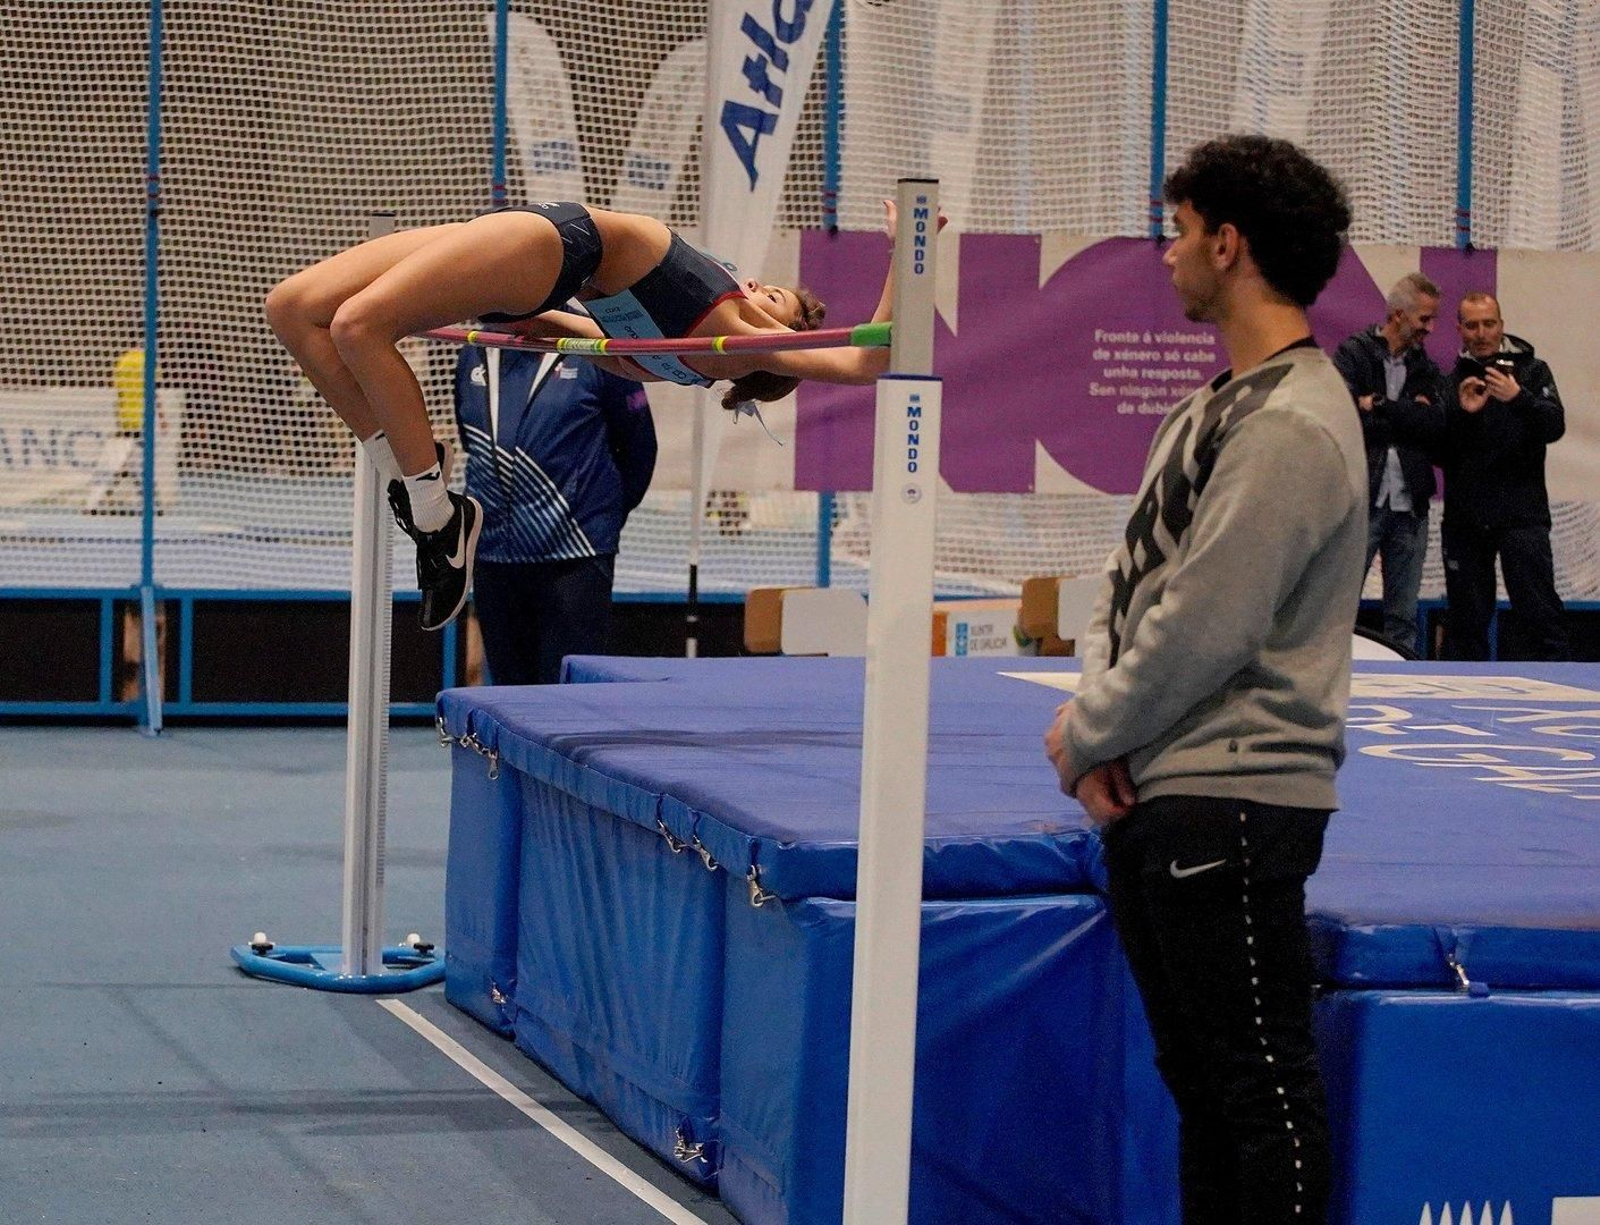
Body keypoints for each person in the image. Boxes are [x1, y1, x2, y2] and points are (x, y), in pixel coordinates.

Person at [1044, 135, 1365, 1225]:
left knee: (1257, 1085)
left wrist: (1089, 731)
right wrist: (1099, 736)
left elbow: (1207, 624)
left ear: (1228, 245)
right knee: (1204, 1086)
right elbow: (1129, 583)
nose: (1167, 254)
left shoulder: (1291, 423)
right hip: (1162, 783)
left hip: (1232, 794)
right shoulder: (1210, 410)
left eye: (1177, 232)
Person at [264, 201, 897, 630]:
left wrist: (907, 251)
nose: (756, 286)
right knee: (294, 308)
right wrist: (465, 303)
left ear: (776, 342)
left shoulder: (732, 331)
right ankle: (409, 481)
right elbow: (555, 324)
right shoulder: (656, 360)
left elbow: (868, 362)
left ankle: (438, 514)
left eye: (774, 299)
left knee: (357, 325)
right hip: (537, 245)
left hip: (552, 242)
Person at [453, 344, 655, 684]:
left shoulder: (597, 349)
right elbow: (470, 440)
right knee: (510, 697)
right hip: (493, 557)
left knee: (569, 695)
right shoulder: (473, 352)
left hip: (575, 559)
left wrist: (598, 518)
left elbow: (640, 448)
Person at [1438, 291, 1569, 660]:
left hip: (1522, 516)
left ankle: (1561, 697)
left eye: (1489, 324)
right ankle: (1460, 705)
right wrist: (1463, 415)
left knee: (1540, 612)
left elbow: (1554, 426)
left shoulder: (1532, 371)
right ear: (1459, 329)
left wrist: (1519, 398)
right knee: (1466, 622)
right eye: (1472, 325)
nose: (1481, 333)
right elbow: (1438, 452)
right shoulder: (1449, 380)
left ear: (1502, 325)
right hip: (1466, 520)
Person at [1332, 272, 1445, 655]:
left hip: (1409, 503)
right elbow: (1343, 415)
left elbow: (1433, 424)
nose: (1430, 329)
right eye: (1424, 319)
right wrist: (1406, 414)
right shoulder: (1354, 353)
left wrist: (1378, 405)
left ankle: (1406, 687)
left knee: (1403, 613)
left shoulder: (1425, 368)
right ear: (1398, 315)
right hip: (1362, 499)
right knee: (1339, 605)